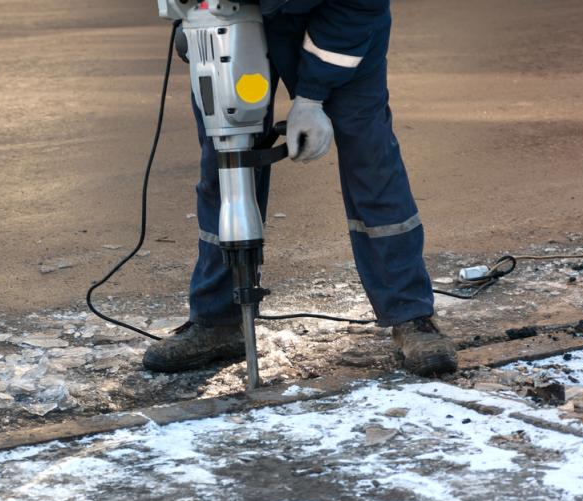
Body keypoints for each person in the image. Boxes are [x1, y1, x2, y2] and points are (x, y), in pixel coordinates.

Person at [144, 0, 457, 377]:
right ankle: (218, 320)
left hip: (338, 17)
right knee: (226, 156)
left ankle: (410, 315)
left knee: (370, 157)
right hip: (233, 17)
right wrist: (192, 17)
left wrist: (311, 97)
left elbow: (360, 7)